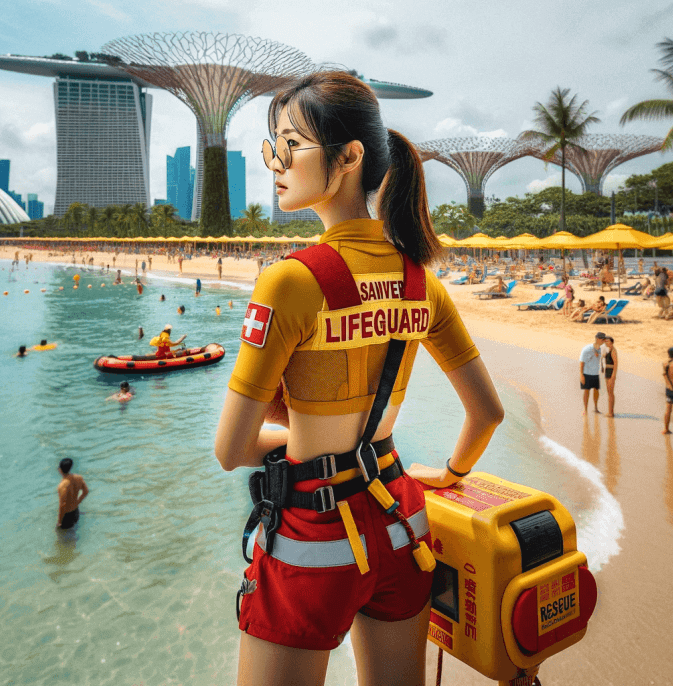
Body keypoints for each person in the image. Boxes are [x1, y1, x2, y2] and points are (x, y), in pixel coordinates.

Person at [213, 71, 504, 686]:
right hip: (402, 520)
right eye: (273, 147)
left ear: (349, 158)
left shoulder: (291, 280)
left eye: (292, 145)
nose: (276, 162)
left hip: (313, 535)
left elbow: (231, 450)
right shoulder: (421, 280)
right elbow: (487, 414)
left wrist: (293, 433)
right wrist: (450, 476)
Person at [56, 458, 89, 530]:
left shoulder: (62, 486)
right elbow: (86, 491)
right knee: (74, 530)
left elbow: (63, 505)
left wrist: (59, 522)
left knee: (62, 537)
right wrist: (77, 502)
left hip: (67, 516)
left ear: (60, 470)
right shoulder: (78, 478)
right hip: (76, 512)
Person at [579, 332, 606, 413]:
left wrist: (602, 366)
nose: (603, 341)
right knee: (586, 391)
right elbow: (581, 362)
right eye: (602, 339)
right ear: (597, 339)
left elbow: (601, 358)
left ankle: (596, 408)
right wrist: (581, 375)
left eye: (604, 339)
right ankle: (585, 409)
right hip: (586, 373)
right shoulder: (587, 349)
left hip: (596, 374)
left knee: (596, 391)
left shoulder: (601, 349)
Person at [601, 336, 618, 417]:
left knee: (610, 393)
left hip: (611, 372)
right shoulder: (609, 350)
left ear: (611, 342)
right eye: (605, 341)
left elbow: (615, 363)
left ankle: (611, 413)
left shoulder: (613, 351)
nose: (606, 343)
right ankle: (610, 411)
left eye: (607, 341)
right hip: (607, 372)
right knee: (609, 392)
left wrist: (614, 375)